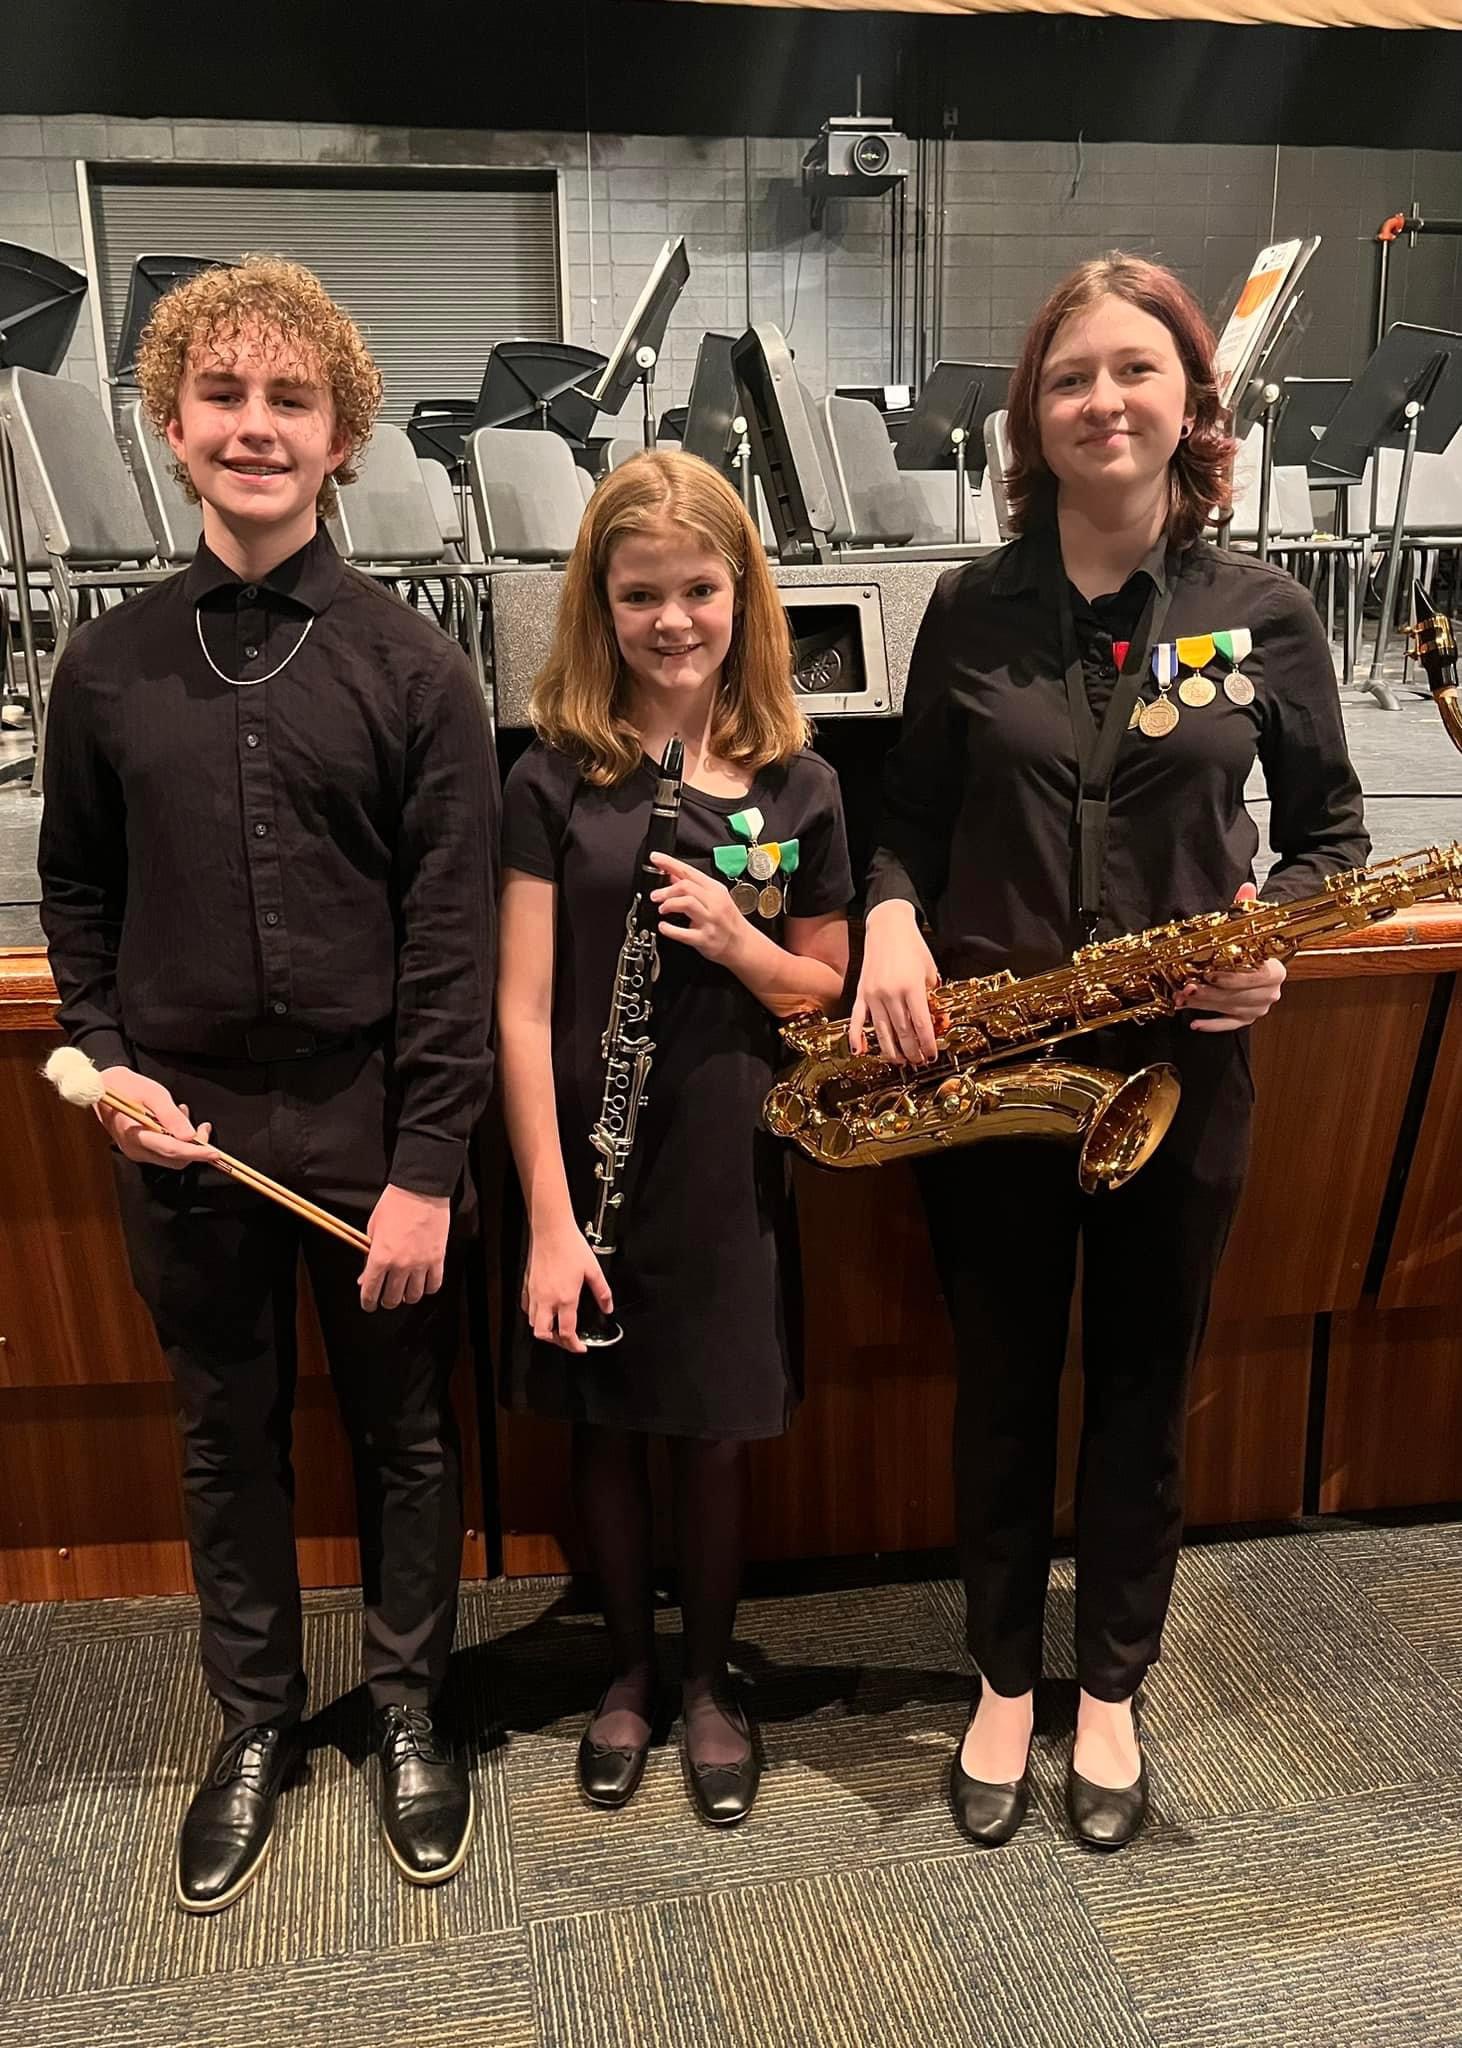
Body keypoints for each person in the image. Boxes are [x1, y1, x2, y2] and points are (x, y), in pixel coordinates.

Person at [854, 254, 1368, 1851]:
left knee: (1142, 1391)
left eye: (1132, 370)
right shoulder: (968, 604)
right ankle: (1002, 1677)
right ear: (1035, 413)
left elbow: (1332, 837)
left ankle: (1111, 1689)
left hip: (1181, 1064)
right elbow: (909, 822)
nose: (1101, 401)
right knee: (1001, 1385)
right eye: (1069, 375)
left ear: (1188, 402)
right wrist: (883, 919)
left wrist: (1272, 934)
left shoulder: (1259, 613)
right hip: (997, 1073)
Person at [38, 257, 497, 1909]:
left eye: (288, 399)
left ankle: (405, 1706)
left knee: (403, 1439)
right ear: (172, 424)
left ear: (343, 434)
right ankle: (252, 1721)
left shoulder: (416, 672)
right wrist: (105, 1077)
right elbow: (76, 900)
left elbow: (451, 949)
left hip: (373, 1118)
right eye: (223, 397)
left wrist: (430, 1167)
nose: (254, 427)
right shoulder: (103, 668)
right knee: (226, 1439)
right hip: (183, 1125)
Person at [497, 450, 851, 1826]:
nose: (671, 622)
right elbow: (518, 1015)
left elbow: (821, 990)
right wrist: (542, 1211)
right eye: (639, 594)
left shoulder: (797, 781)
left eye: (699, 589)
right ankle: (628, 1673)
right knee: (601, 1425)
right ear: (599, 602)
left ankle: (709, 1678)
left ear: (741, 595)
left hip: (718, 1152)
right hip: (576, 1154)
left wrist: (743, 945)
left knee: (707, 1429)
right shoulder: (551, 777)